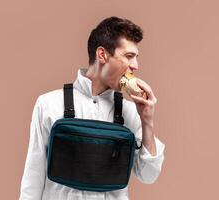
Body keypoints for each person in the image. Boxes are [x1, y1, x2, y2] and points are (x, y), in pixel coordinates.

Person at [19, 16, 165, 200]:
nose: (135, 66)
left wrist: (147, 121)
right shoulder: (49, 104)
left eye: (136, 57)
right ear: (102, 54)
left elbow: (149, 175)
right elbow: (33, 177)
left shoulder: (130, 111)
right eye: (129, 56)